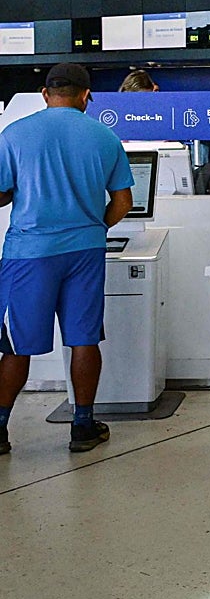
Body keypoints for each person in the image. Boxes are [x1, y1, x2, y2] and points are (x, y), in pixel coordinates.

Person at [0, 63, 134, 455]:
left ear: (45, 93)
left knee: (15, 345)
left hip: (28, 253)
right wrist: (95, 227)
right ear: (85, 96)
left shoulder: (15, 134)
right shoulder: (105, 137)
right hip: (85, 252)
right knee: (83, 338)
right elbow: (122, 203)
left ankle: (0, 427)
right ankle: (83, 426)